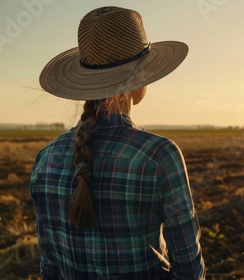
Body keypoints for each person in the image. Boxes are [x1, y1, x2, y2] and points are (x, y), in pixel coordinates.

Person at [30, 6, 205, 279]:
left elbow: (50, 266)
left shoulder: (45, 159)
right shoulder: (159, 155)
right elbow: (188, 267)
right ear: (141, 81)